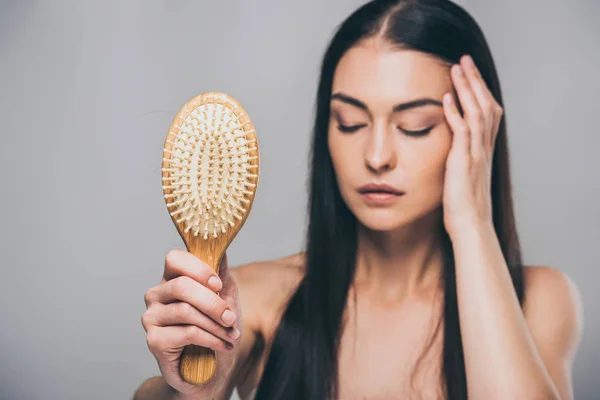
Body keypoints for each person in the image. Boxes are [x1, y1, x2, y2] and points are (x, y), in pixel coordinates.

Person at [135, 0, 583, 399]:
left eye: (415, 127)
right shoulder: (256, 301)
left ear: (475, 130)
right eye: (349, 123)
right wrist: (187, 389)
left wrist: (472, 223)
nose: (376, 156)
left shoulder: (540, 300)